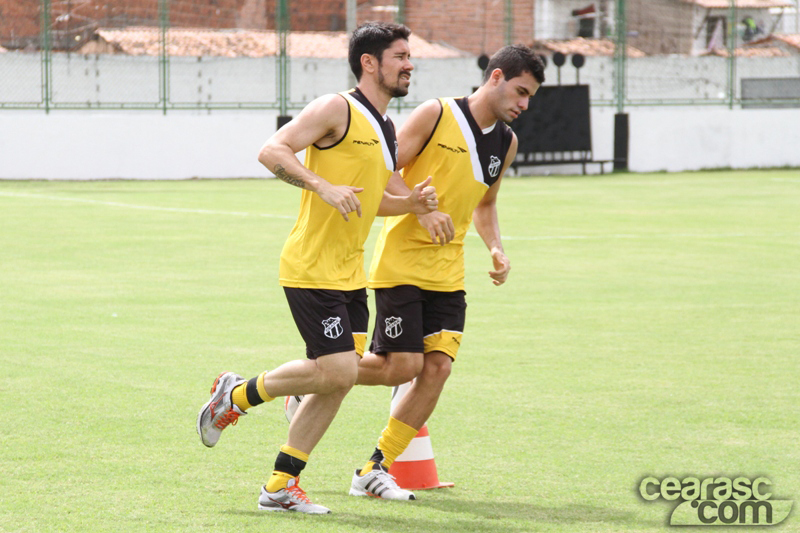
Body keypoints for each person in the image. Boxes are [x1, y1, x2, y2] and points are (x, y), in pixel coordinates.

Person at [195, 21, 437, 515]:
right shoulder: (336, 108)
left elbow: (368, 205)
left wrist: (411, 203)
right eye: (400, 56)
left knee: (338, 379)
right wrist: (320, 185)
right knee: (339, 369)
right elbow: (271, 151)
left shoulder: (387, 127)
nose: (410, 64)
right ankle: (236, 395)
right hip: (311, 267)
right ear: (369, 62)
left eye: (410, 56)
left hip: (351, 274)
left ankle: (280, 485)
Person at [349, 44, 545, 500]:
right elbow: (384, 169)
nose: (524, 104)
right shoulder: (434, 114)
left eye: (530, 97)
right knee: (401, 367)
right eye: (520, 91)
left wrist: (496, 248)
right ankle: (321, 377)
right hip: (401, 263)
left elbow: (487, 203)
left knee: (436, 369)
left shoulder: (507, 143)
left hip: (448, 272)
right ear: (495, 77)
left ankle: (373, 469)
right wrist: (419, 211)